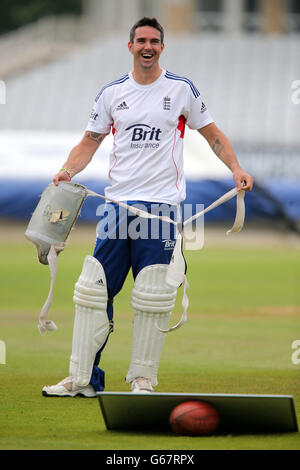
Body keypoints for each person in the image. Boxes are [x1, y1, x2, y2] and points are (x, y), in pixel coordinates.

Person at [42, 17, 253, 398]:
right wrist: (66, 170)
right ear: (130, 46)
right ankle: (83, 378)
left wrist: (236, 168)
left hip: (161, 211)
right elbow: (89, 141)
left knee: (153, 295)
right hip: (117, 206)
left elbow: (213, 135)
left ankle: (142, 379)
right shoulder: (112, 94)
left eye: (154, 41)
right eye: (141, 40)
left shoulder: (181, 89)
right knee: (94, 291)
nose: (147, 46)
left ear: (162, 46)